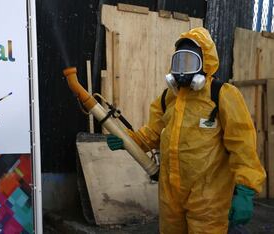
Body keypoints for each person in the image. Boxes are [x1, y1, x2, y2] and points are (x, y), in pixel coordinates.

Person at [107, 27, 266, 233]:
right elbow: (152, 134)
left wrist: (245, 190)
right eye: (179, 61)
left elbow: (242, 144)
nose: (183, 69)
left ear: (205, 63)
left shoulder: (222, 95)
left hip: (208, 198)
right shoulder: (168, 98)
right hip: (170, 196)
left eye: (190, 61)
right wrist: (130, 140)